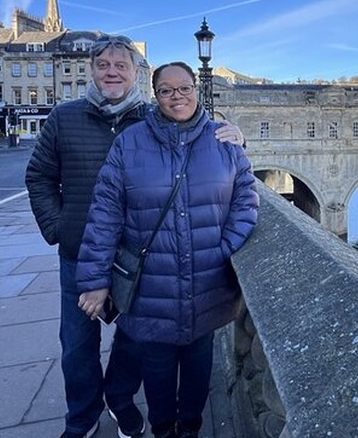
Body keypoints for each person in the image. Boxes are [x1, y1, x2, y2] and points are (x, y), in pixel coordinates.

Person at [25, 37, 246, 438]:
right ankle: (82, 418)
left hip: (141, 257)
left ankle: (120, 402)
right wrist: (59, 228)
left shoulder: (153, 114)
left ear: (136, 74)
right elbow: (39, 176)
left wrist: (236, 137)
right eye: (104, 65)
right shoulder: (65, 116)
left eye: (121, 66)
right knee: (77, 346)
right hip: (81, 252)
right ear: (93, 69)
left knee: (134, 343)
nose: (112, 72)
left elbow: (199, 140)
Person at [76, 61, 259, 438]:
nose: (178, 97)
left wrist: (224, 246)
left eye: (185, 88)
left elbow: (247, 198)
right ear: (154, 95)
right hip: (150, 289)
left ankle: (190, 429)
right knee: (157, 372)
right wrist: (94, 280)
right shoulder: (130, 143)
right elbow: (105, 213)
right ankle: (163, 430)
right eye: (167, 90)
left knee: (197, 368)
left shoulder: (224, 140)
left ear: (197, 88)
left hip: (207, 282)